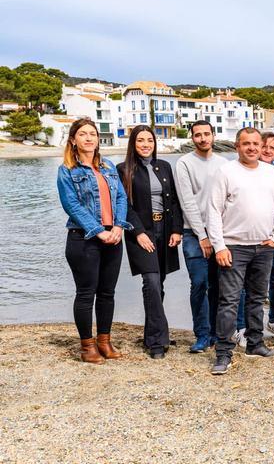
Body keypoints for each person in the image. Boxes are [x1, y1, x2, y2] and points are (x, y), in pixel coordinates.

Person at [207, 128, 274, 375]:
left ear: (262, 146)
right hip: (234, 247)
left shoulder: (271, 173)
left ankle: (255, 343)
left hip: (263, 247)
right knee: (229, 301)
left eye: (255, 143)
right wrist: (219, 246)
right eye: (246, 144)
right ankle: (223, 353)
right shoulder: (226, 172)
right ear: (237, 146)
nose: (252, 148)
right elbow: (213, 210)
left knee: (256, 298)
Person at [57, 118, 130, 363]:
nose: (89, 138)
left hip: (114, 236)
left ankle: (104, 341)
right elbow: (71, 205)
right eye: (83, 134)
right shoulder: (67, 170)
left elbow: (121, 197)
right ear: (73, 140)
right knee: (86, 293)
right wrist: (98, 230)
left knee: (107, 292)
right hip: (84, 238)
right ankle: (87, 347)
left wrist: (119, 226)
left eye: (92, 134)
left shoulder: (108, 166)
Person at [118, 125, 183, 360]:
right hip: (142, 233)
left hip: (165, 231)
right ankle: (157, 341)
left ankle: (152, 333)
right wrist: (138, 232)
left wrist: (177, 229)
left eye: (150, 141)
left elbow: (174, 201)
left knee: (160, 284)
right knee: (152, 282)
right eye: (140, 141)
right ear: (133, 144)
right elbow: (124, 205)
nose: (146, 145)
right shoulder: (123, 170)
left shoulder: (164, 166)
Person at [232, 133, 274, 345]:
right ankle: (242, 326)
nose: (267, 150)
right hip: (249, 239)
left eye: (272, 148)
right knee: (246, 285)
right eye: (264, 146)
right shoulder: (240, 170)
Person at [175, 120, 226, 353]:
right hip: (194, 234)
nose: (203, 138)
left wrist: (218, 238)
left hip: (220, 233)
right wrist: (202, 236)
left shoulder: (224, 164)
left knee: (218, 285)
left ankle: (217, 333)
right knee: (199, 283)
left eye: (207, 134)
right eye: (198, 135)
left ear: (213, 135)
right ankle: (202, 334)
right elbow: (187, 202)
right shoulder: (184, 163)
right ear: (192, 137)